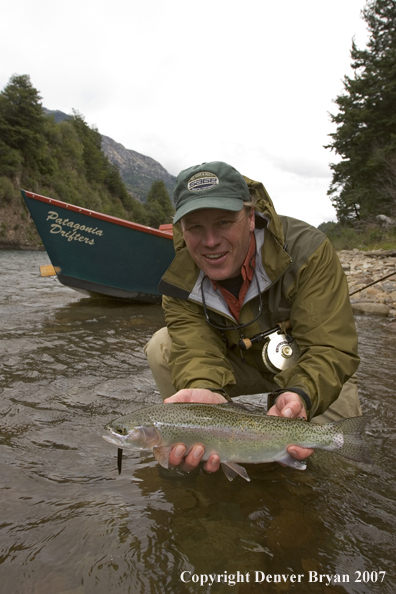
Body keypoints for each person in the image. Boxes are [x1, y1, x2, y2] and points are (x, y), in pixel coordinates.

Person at [144, 161, 361, 474]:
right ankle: (202, 445)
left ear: (249, 217)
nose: (209, 241)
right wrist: (205, 400)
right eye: (195, 227)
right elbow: (195, 352)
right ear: (181, 230)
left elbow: (330, 347)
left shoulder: (308, 251)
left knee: (335, 463)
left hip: (304, 363)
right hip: (234, 364)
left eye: (222, 222)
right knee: (161, 346)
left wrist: (301, 394)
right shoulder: (179, 280)